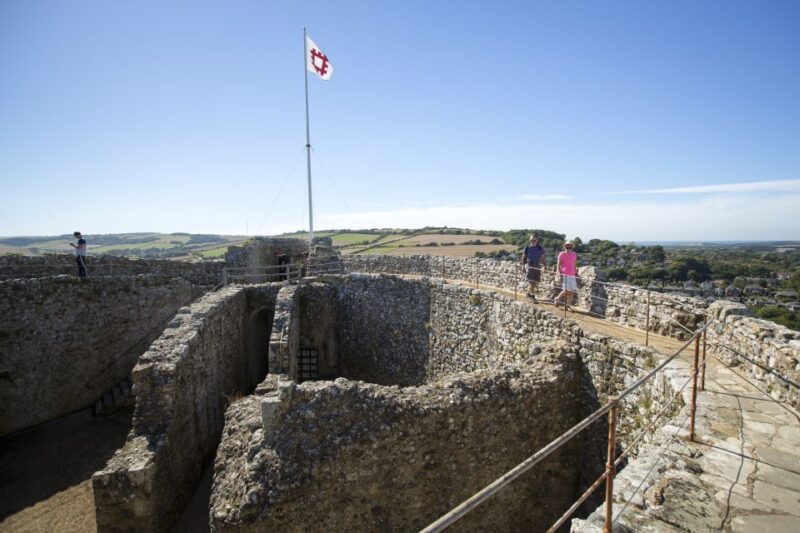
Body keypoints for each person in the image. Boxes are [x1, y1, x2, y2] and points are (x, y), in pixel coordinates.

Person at [520, 234, 547, 300]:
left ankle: (528, 293)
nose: (532, 241)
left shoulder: (540, 248)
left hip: (537, 266)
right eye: (531, 240)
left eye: (534, 240)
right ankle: (532, 296)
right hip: (529, 265)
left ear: (537, 240)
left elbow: (543, 258)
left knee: (535, 282)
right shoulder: (527, 248)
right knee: (531, 282)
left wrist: (545, 266)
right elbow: (523, 257)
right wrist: (522, 266)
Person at [554, 241, 578, 311]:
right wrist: (558, 273)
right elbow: (558, 264)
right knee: (566, 290)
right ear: (565, 247)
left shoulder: (574, 254)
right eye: (567, 246)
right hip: (565, 274)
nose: (568, 247)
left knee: (572, 291)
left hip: (572, 274)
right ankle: (557, 298)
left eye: (570, 246)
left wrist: (576, 272)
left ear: (572, 247)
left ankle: (568, 305)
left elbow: (574, 264)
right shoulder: (562, 254)